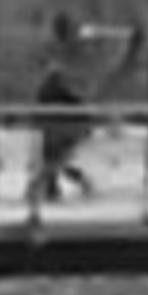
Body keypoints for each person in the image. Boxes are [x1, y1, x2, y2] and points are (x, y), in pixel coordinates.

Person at [28, 51, 96, 206]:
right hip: (54, 129)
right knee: (56, 161)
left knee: (56, 162)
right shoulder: (49, 89)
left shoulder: (56, 89)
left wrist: (84, 125)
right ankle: (51, 188)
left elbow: (76, 106)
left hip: (63, 129)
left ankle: (43, 188)